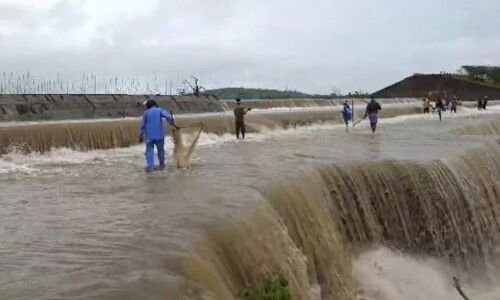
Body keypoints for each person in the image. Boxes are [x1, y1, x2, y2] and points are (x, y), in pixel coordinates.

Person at [139, 99, 177, 172]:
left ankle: (151, 167)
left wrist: (140, 135)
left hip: (149, 136)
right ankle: (162, 165)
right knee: (161, 151)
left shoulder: (146, 113)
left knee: (149, 152)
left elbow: (142, 125)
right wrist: (171, 122)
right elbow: (168, 117)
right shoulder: (160, 110)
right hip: (159, 135)